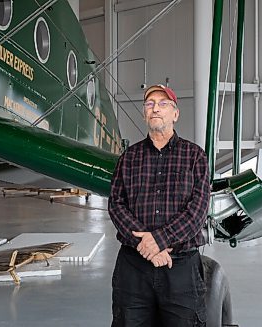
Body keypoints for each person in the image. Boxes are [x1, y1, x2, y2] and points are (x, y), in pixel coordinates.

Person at [108, 84, 210, 326]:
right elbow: (116, 205)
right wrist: (146, 246)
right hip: (134, 268)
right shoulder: (128, 158)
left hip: (181, 267)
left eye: (163, 104)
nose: (156, 109)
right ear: (144, 113)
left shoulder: (195, 156)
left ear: (175, 114)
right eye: (150, 104)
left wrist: (159, 241)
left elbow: (197, 211)